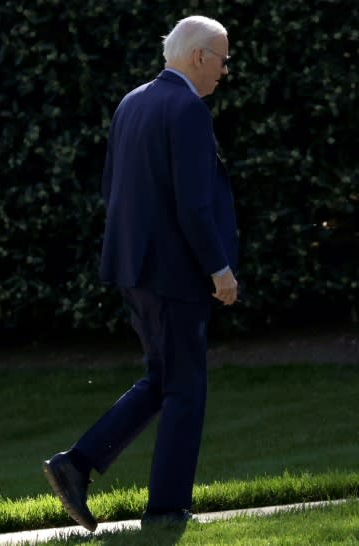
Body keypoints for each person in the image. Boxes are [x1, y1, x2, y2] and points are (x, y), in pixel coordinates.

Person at [42, 15, 239, 531]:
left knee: (163, 378)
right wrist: (220, 269)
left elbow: (114, 189)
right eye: (222, 58)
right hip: (176, 274)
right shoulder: (188, 110)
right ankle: (168, 509)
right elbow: (194, 206)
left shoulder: (132, 102)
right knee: (185, 389)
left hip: (134, 269)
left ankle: (76, 465)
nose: (224, 70)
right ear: (199, 57)